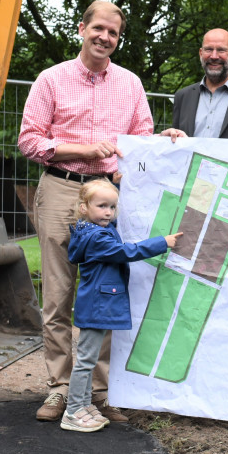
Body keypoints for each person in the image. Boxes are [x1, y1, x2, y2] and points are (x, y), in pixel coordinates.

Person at [18, 0, 154, 423]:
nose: (105, 37)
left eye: (113, 32)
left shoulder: (130, 84)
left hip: (109, 198)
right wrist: (82, 149)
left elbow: (142, 139)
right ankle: (60, 388)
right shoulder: (51, 79)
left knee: (106, 292)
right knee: (58, 296)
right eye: (98, 28)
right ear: (82, 28)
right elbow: (29, 140)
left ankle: (98, 391)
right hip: (61, 189)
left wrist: (161, 142)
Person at [62, 179, 182, 433]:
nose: (108, 212)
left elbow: (113, 227)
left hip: (97, 305)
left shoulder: (90, 229)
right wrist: (163, 242)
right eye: (102, 206)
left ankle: (83, 404)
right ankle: (73, 411)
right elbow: (127, 251)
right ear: (83, 208)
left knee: (89, 359)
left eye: (113, 207)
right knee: (85, 360)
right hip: (96, 306)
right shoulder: (97, 238)